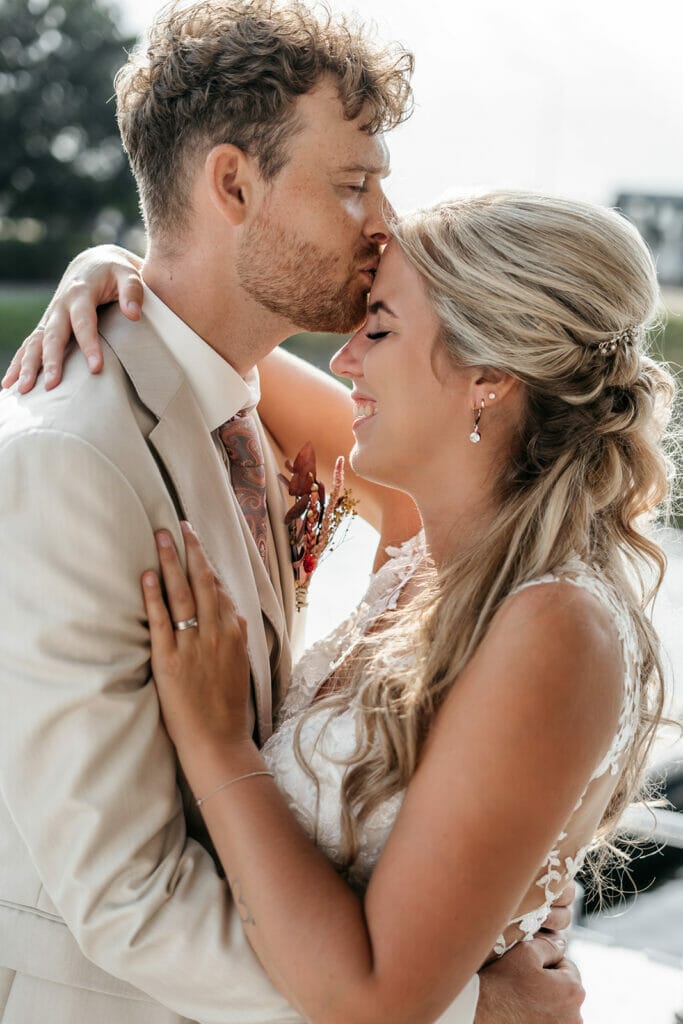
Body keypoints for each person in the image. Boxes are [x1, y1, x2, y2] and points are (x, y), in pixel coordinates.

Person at [0, 2, 584, 1023]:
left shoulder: (244, 401)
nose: (384, 223)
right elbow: (127, 892)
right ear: (232, 184)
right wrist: (468, 1008)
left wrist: (112, 265)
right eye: (353, 185)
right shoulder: (71, 460)